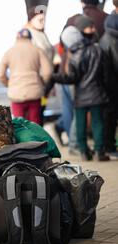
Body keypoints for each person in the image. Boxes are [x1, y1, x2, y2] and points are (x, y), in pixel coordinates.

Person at [52, 26, 110, 162]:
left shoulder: (74, 56)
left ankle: (84, 152)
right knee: (98, 123)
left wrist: (55, 76)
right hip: (97, 94)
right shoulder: (97, 49)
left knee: (80, 124)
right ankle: (99, 152)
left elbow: (72, 78)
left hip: (81, 96)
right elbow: (106, 74)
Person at [0, 29, 52, 125]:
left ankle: (23, 140)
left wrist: (9, 84)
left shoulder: (9, 52)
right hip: (34, 93)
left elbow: (0, 74)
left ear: (17, 38)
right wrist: (41, 83)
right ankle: (37, 140)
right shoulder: (38, 50)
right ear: (30, 38)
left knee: (19, 125)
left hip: (16, 94)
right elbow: (47, 72)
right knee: (35, 125)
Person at [25, 5, 55, 126]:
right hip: (36, 80)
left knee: (40, 110)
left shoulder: (42, 34)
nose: (43, 23)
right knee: (35, 113)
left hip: (44, 80)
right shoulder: (28, 35)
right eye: (40, 20)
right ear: (31, 20)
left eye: (44, 20)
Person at [99, 1, 118, 159]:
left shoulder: (109, 33)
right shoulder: (113, 37)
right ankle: (110, 147)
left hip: (110, 83)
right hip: (112, 84)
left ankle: (110, 146)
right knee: (110, 115)